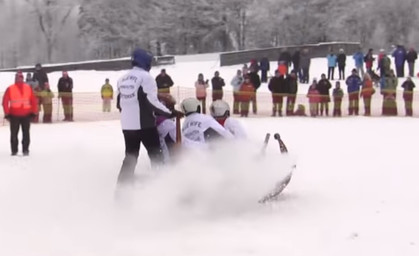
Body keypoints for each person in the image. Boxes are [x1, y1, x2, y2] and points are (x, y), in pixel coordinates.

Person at [116, 48, 182, 184]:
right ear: (145, 61)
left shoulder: (121, 79)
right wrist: (171, 113)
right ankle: (161, 184)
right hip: (145, 124)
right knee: (156, 155)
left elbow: (119, 104)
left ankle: (122, 190)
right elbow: (152, 102)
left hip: (127, 126)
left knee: (130, 157)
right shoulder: (146, 78)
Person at [2, 72, 38, 156]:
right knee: (22, 133)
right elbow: (33, 101)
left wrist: (7, 113)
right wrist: (34, 112)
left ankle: (19, 150)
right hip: (19, 115)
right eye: (18, 77)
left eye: (19, 77)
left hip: (19, 115)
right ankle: (21, 150)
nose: (19, 79)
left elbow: (33, 101)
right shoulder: (26, 88)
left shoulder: (11, 88)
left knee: (18, 134)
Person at [156, 94, 178, 163]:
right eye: (171, 107)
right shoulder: (167, 124)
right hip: (170, 161)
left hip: (159, 159)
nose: (173, 110)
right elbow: (180, 141)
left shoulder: (154, 121)